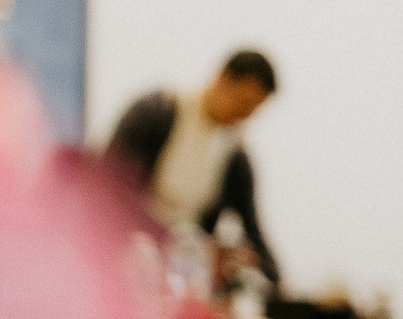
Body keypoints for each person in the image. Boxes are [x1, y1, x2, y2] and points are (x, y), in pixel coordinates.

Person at [103, 48, 280, 289]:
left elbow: (253, 229)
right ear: (222, 79)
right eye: (242, 103)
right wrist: (176, 240)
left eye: (252, 111)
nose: (243, 117)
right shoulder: (156, 113)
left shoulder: (235, 156)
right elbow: (108, 187)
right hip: (126, 258)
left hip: (185, 273)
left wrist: (266, 271)